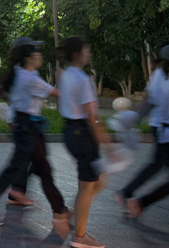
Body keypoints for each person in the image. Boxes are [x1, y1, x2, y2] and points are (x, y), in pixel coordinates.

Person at [0, 38, 70, 238]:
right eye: (37, 53)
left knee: (42, 168)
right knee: (18, 169)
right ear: (29, 58)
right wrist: (63, 78)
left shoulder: (21, 72)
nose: (40, 56)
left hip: (27, 125)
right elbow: (58, 93)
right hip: (27, 127)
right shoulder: (29, 79)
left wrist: (16, 102)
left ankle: (59, 208)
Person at [58, 37, 109, 248]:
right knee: (87, 185)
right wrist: (106, 142)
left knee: (99, 181)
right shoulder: (81, 78)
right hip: (82, 133)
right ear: (78, 54)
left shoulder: (65, 75)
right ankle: (79, 237)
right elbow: (91, 116)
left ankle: (72, 216)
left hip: (70, 131)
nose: (89, 53)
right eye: (87, 50)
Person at [115, 43, 169, 212]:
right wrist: (133, 119)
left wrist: (134, 118)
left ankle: (128, 193)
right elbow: (149, 100)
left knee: (156, 164)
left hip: (159, 127)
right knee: (156, 164)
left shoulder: (159, 74)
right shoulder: (161, 76)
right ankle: (137, 201)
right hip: (163, 129)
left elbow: (148, 99)